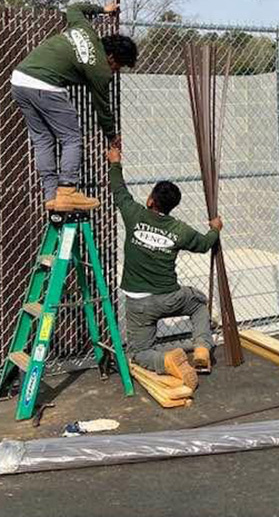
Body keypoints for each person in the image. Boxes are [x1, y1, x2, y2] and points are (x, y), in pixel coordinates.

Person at [107, 145, 221, 388]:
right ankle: (202, 348)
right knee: (198, 302)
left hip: (139, 303)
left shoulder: (134, 214)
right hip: (170, 297)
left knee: (139, 352)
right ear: (172, 207)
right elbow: (204, 244)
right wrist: (215, 228)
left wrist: (115, 162)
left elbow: (119, 191)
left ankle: (166, 359)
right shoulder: (179, 229)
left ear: (150, 200)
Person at [11, 1, 138, 211]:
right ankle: (67, 190)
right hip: (45, 85)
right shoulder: (100, 70)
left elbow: (74, 8)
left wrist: (102, 10)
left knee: (42, 139)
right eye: (119, 66)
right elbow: (102, 109)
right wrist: (112, 136)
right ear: (111, 57)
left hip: (20, 79)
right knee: (72, 138)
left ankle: (52, 195)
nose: (115, 71)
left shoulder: (84, 28)